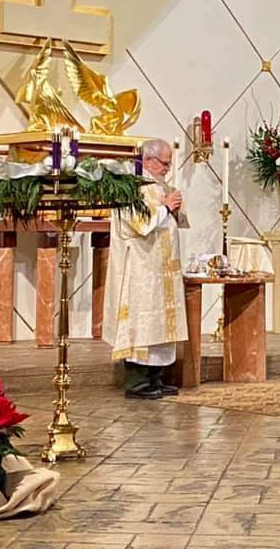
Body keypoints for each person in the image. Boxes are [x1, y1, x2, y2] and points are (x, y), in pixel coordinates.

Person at [104, 138, 189, 399]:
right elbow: (139, 224)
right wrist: (164, 206)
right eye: (164, 163)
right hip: (141, 267)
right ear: (149, 160)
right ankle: (137, 382)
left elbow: (178, 221)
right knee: (143, 323)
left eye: (169, 163)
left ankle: (155, 379)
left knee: (161, 324)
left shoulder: (160, 185)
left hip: (161, 267)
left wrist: (174, 208)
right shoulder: (131, 187)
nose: (167, 168)